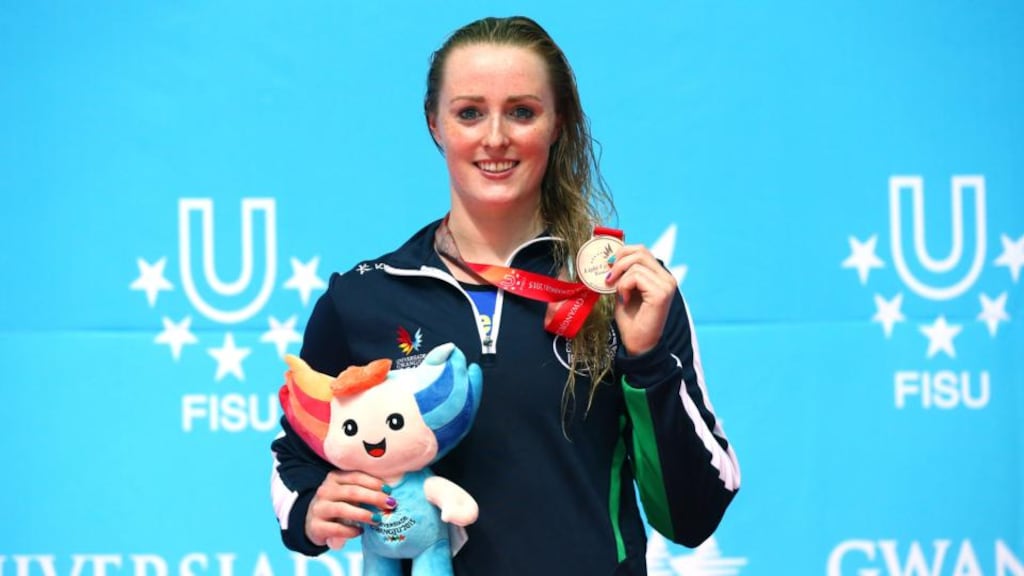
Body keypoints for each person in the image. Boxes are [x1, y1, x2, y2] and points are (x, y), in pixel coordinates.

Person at [270, 15, 740, 575]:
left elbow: (695, 515)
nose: (495, 138)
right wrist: (309, 506)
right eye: (470, 112)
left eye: (522, 111)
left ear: (557, 123)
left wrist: (648, 364)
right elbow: (293, 456)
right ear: (434, 124)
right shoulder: (367, 297)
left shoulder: (622, 287)